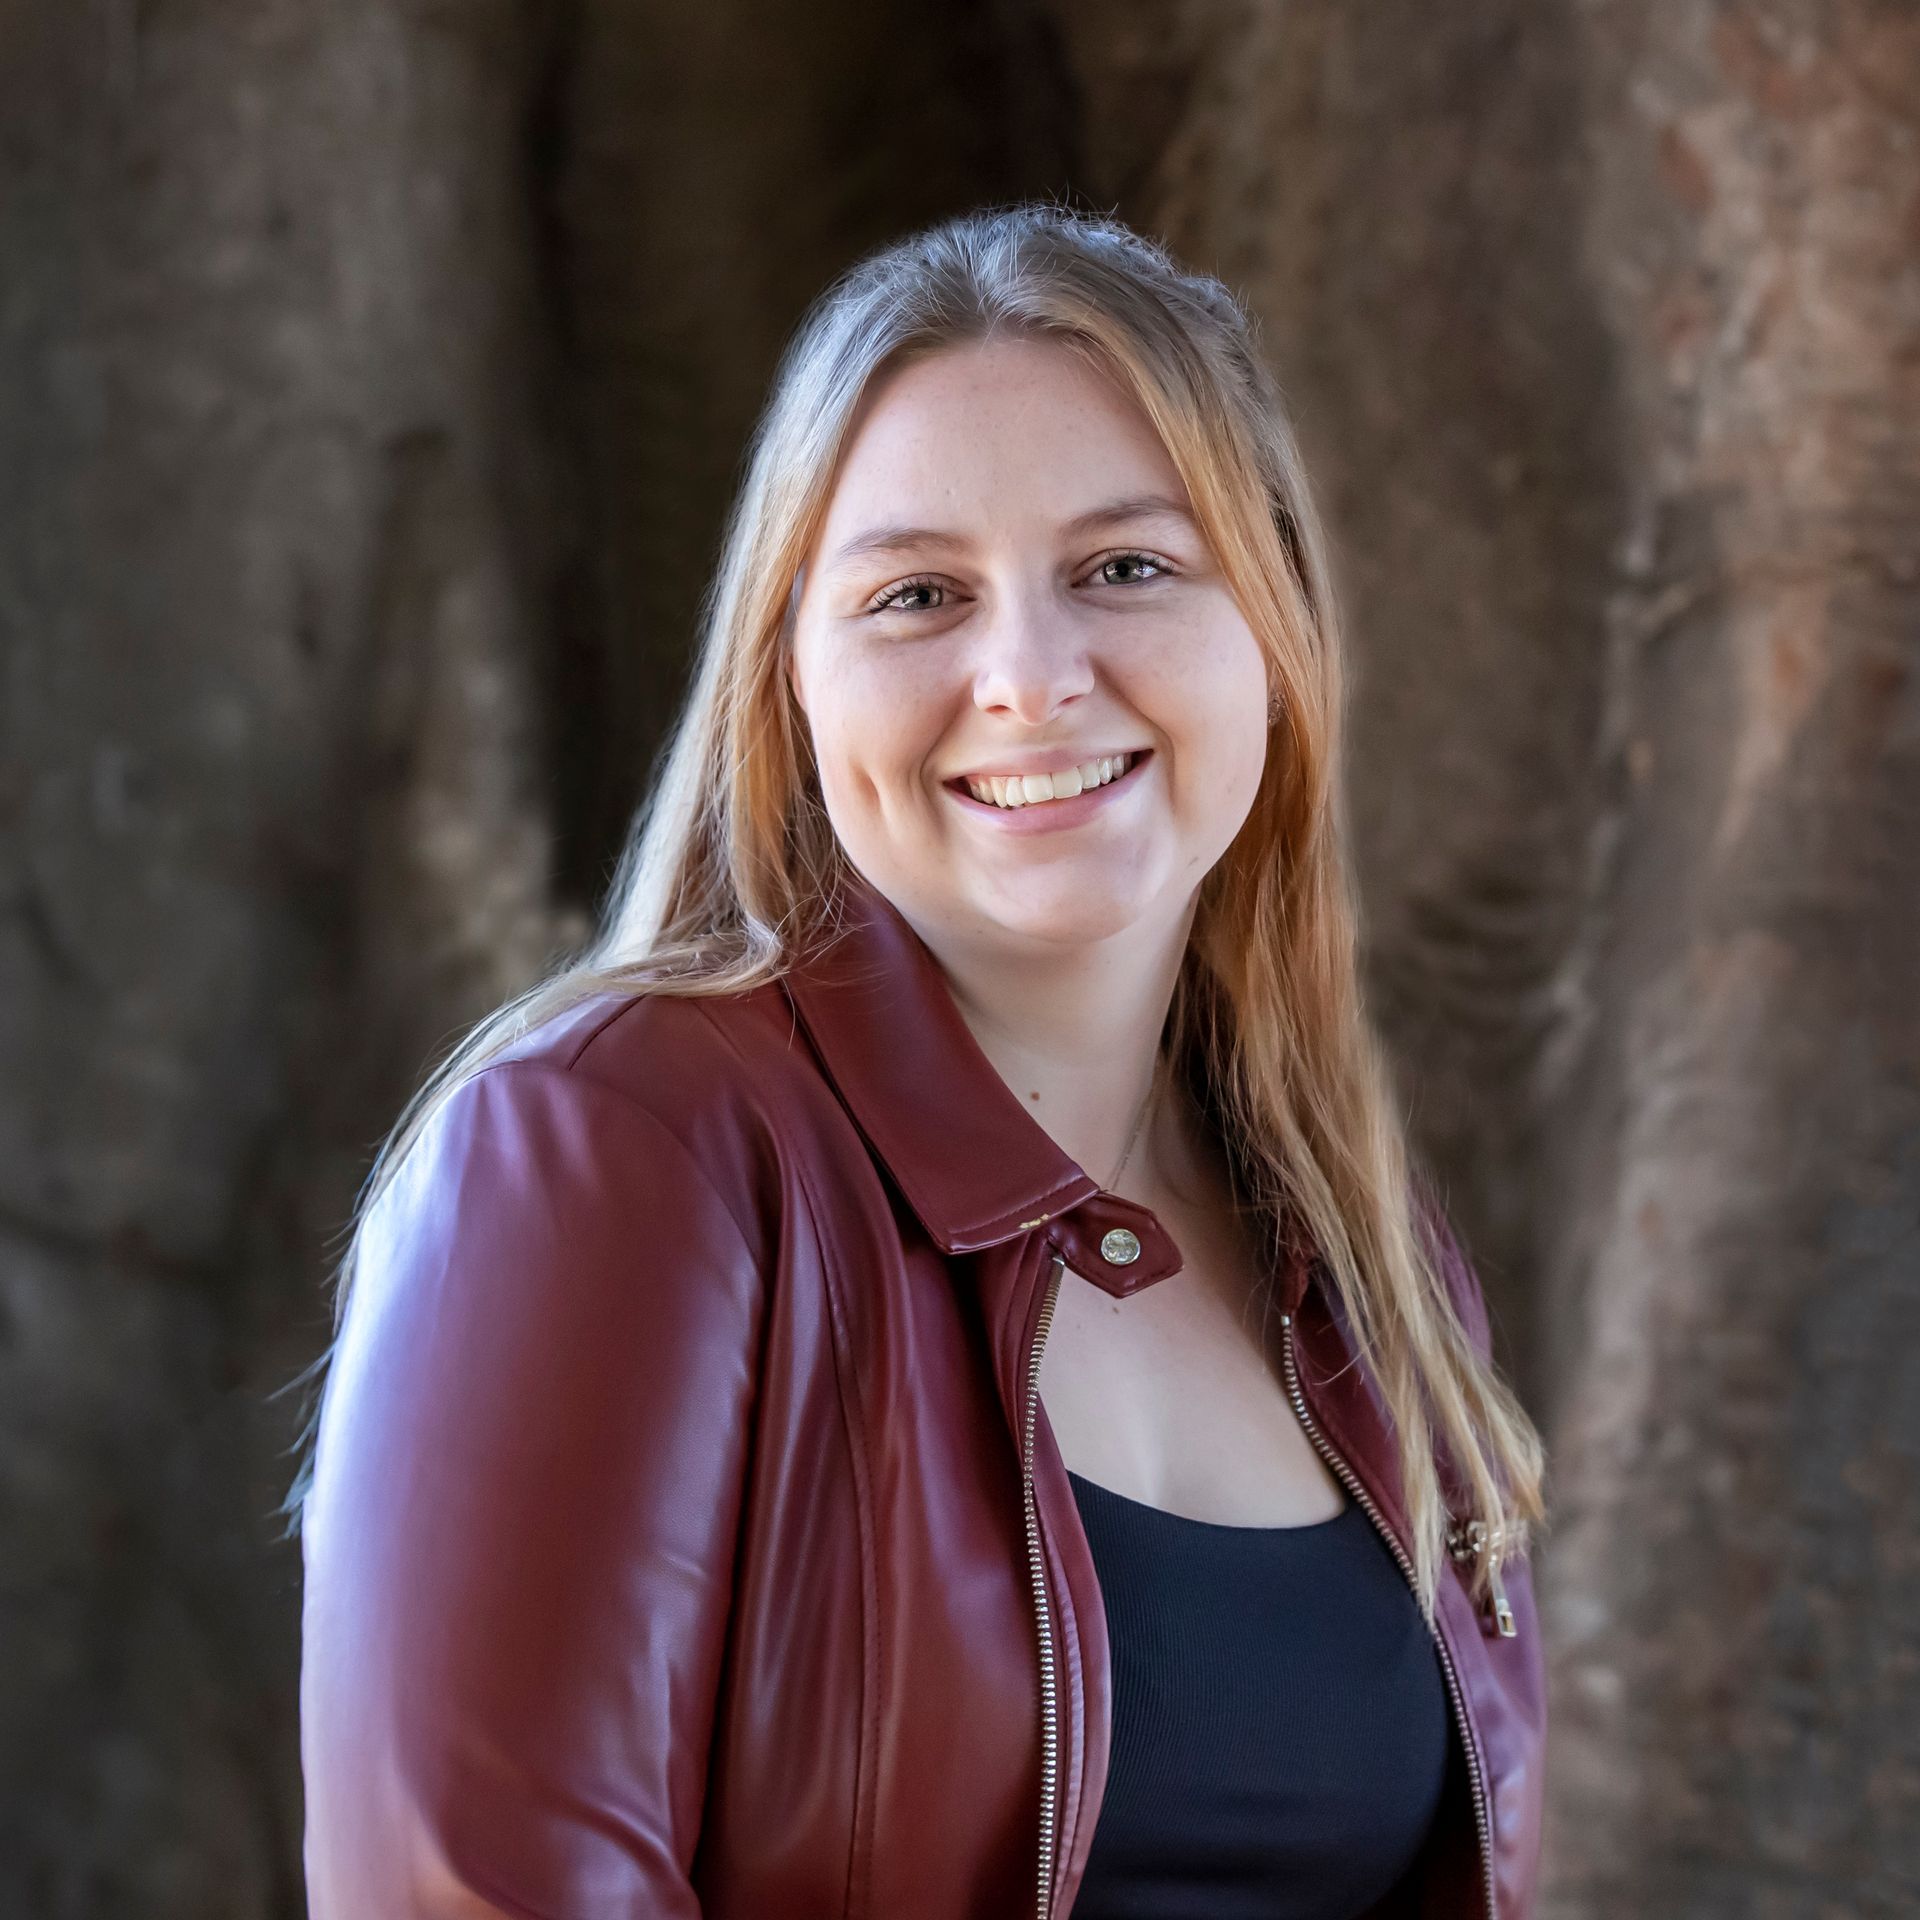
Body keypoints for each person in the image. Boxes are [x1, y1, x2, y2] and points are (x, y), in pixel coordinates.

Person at [288, 199, 1548, 1919]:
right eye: (918, 596)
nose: (1028, 678)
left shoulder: (1371, 1261)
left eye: (1126, 567)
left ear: (1276, 624)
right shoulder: (610, 1151)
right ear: (790, 680)